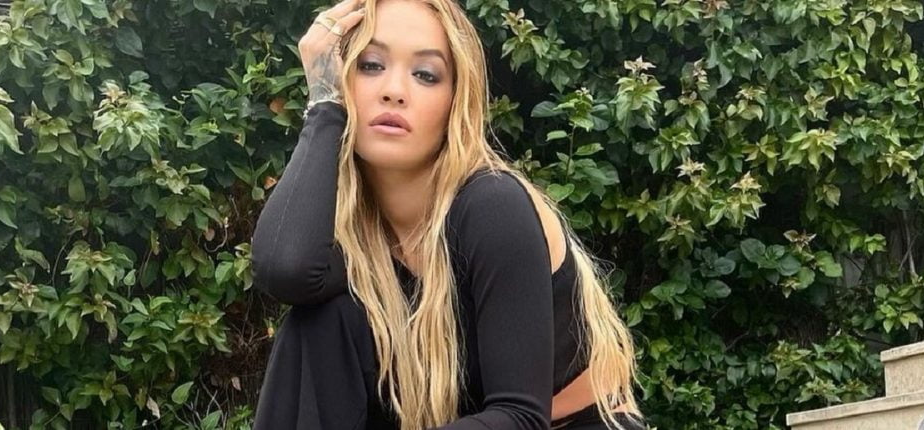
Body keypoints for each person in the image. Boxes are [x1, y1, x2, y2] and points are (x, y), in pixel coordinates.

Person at [250, 0, 646, 428]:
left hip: (566, 425)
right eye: (370, 65)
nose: (394, 90)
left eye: (425, 74)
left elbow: (520, 418)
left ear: (455, 102)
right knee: (321, 320)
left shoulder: (491, 205)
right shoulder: (357, 226)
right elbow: (286, 270)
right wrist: (325, 105)